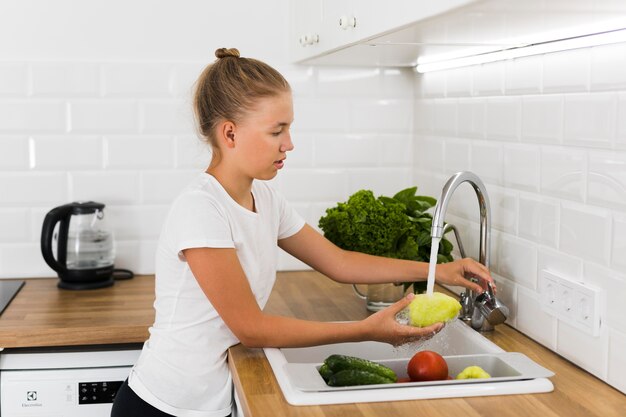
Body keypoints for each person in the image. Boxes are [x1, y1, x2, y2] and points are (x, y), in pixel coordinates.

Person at [111, 47, 493, 417]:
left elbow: (339, 263)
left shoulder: (264, 197)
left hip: (209, 401)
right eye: (277, 131)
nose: (289, 144)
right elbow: (252, 329)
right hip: (162, 406)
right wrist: (365, 330)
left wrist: (436, 271)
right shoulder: (201, 208)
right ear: (230, 134)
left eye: (289, 129)